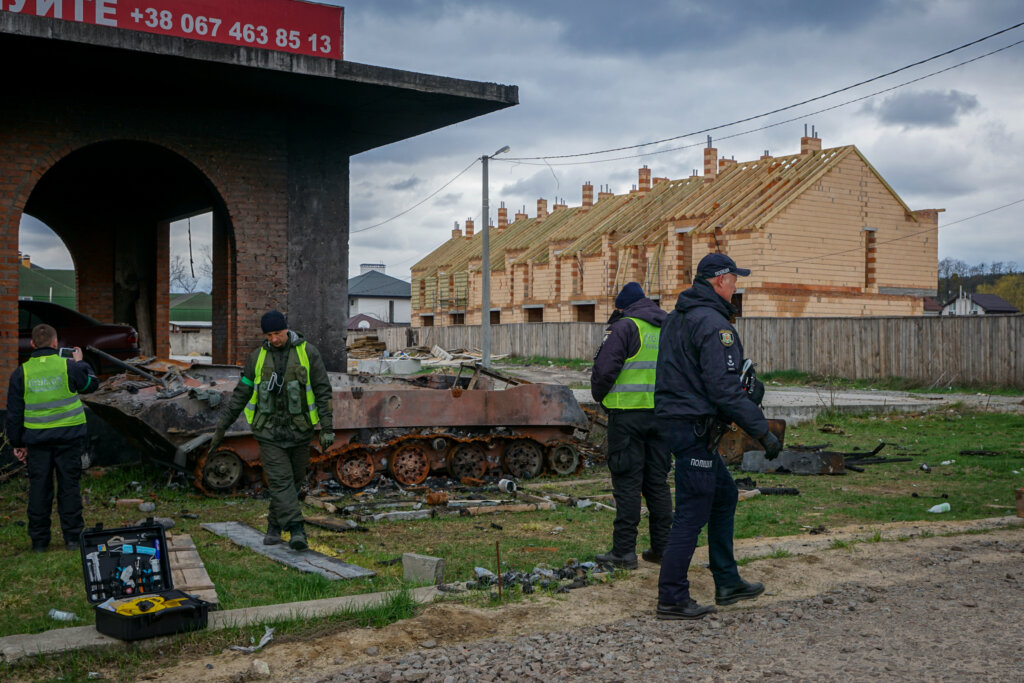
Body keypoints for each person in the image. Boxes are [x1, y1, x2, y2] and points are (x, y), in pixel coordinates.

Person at [654, 253, 781, 620]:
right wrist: (762, 431)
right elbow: (723, 389)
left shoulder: (678, 318)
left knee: (724, 495)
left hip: (683, 424)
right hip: (693, 428)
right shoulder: (713, 324)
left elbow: (698, 379)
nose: (737, 285)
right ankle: (672, 598)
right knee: (691, 513)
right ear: (720, 280)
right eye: (734, 279)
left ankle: (727, 582)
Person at [210, 311, 334, 551]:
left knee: (293, 483)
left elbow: (323, 391)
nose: (274, 339)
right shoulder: (256, 358)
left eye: (277, 333)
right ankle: (297, 530)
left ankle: (273, 526)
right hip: (269, 432)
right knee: (280, 482)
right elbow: (241, 395)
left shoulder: (308, 353)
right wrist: (221, 427)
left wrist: (327, 427)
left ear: (286, 330)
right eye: (269, 335)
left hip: (300, 431)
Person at [590, 282, 672, 570]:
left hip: (627, 416)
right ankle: (663, 549)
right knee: (657, 484)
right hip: (662, 417)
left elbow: (604, 371)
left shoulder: (625, 327)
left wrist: (600, 398)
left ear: (622, 307)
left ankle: (624, 552)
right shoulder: (669, 326)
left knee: (627, 483)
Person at [5, 324, 97, 552]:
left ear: (32, 345)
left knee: (39, 489)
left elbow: (14, 413)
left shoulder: (21, 373)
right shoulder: (68, 366)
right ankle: (73, 539)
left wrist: (17, 443)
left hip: (37, 442)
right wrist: (80, 363)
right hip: (69, 439)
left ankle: (39, 542)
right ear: (56, 344)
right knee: (69, 487)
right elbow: (90, 384)